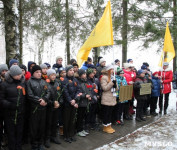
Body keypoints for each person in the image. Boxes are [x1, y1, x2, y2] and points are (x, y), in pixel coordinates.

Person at [0, 65, 25, 150]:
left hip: (20, 113)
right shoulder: (4, 85)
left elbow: (24, 97)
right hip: (9, 114)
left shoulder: (22, 83)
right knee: (11, 133)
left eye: (20, 74)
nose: (20, 76)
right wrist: (11, 105)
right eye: (17, 75)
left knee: (19, 132)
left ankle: (18, 147)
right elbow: (1, 100)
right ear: (12, 75)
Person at [26, 65, 50, 150]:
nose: (39, 74)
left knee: (41, 126)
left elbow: (48, 92)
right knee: (34, 127)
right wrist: (40, 101)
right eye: (37, 72)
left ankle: (40, 143)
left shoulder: (44, 82)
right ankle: (34, 144)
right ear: (33, 73)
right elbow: (30, 95)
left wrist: (45, 99)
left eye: (40, 72)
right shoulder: (29, 82)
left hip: (43, 109)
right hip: (34, 109)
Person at [62, 65, 81, 143]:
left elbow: (78, 90)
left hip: (74, 102)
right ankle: (66, 135)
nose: (72, 71)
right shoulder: (64, 80)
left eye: (73, 70)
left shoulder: (75, 80)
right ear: (67, 71)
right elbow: (65, 92)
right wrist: (70, 101)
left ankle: (71, 134)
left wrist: (75, 99)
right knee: (66, 120)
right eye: (70, 70)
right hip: (67, 104)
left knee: (72, 120)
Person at [44, 69, 61, 148]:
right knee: (48, 123)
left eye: (54, 74)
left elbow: (60, 94)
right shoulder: (46, 84)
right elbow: (45, 96)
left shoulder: (57, 83)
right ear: (48, 76)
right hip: (49, 107)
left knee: (55, 122)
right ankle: (47, 138)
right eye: (52, 75)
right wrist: (52, 103)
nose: (54, 76)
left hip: (56, 106)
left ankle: (53, 136)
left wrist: (59, 102)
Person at [100, 64, 116, 134]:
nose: (112, 71)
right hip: (107, 98)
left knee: (110, 113)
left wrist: (116, 85)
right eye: (111, 69)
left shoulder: (112, 77)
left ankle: (109, 126)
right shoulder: (104, 77)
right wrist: (112, 83)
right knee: (106, 113)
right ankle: (105, 127)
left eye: (113, 69)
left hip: (112, 98)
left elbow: (115, 88)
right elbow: (104, 88)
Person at [76, 69, 90, 137]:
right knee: (79, 117)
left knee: (82, 117)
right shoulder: (78, 82)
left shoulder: (84, 82)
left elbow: (87, 90)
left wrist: (89, 95)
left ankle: (81, 129)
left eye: (85, 74)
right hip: (80, 103)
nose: (85, 75)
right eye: (84, 74)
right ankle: (78, 130)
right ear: (80, 75)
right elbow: (78, 93)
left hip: (85, 102)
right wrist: (85, 95)